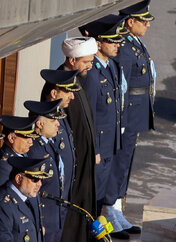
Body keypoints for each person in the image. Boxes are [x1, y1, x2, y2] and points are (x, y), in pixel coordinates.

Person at [103, 0, 155, 239]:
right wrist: (120, 119)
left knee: (125, 163)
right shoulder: (123, 45)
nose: (147, 25)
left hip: (136, 113)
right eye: (143, 21)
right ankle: (109, 212)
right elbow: (120, 85)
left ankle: (117, 211)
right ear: (130, 21)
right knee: (118, 163)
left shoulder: (135, 42)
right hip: (127, 113)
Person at [79, 14, 126, 220]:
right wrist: (94, 150)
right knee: (92, 199)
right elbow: (88, 115)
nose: (117, 45)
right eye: (112, 41)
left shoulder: (112, 66)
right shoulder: (93, 74)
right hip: (98, 150)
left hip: (109, 146)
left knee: (99, 200)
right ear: (99, 44)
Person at [52, 37, 98, 242]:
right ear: (72, 60)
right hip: (74, 170)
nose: (91, 65)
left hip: (84, 167)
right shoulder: (61, 84)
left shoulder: (76, 80)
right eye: (86, 61)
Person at [38, 69, 80, 241]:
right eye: (67, 92)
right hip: (47, 208)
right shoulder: (46, 122)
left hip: (60, 201)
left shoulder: (61, 117)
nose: (72, 96)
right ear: (54, 93)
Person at [0, 156, 51, 242]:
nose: (39, 184)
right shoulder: (1, 205)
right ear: (19, 178)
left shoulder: (31, 197)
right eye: (35, 179)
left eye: (41, 180)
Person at [24, 99, 67, 242]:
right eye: (53, 120)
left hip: (54, 217)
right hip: (43, 221)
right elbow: (31, 191)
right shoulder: (34, 150)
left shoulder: (48, 144)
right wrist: (37, 222)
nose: (58, 124)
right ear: (40, 123)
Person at [0, 115, 39, 186]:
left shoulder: (22, 154)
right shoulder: (4, 166)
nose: (31, 142)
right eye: (26, 137)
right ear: (11, 138)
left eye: (31, 138)